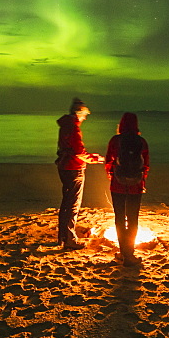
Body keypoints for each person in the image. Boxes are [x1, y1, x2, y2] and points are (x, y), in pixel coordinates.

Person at [55, 98, 103, 250]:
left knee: (66, 203)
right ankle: (69, 240)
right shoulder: (74, 128)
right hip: (73, 168)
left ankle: (62, 238)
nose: (85, 117)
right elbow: (78, 152)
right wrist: (97, 158)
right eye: (84, 114)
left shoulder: (65, 126)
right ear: (78, 113)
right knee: (72, 205)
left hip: (64, 166)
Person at [104, 112, 149, 266]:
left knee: (119, 219)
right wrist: (141, 181)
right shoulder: (141, 142)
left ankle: (123, 253)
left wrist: (112, 175)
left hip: (117, 185)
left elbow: (108, 161)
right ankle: (129, 254)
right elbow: (146, 165)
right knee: (132, 219)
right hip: (136, 186)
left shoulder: (115, 141)